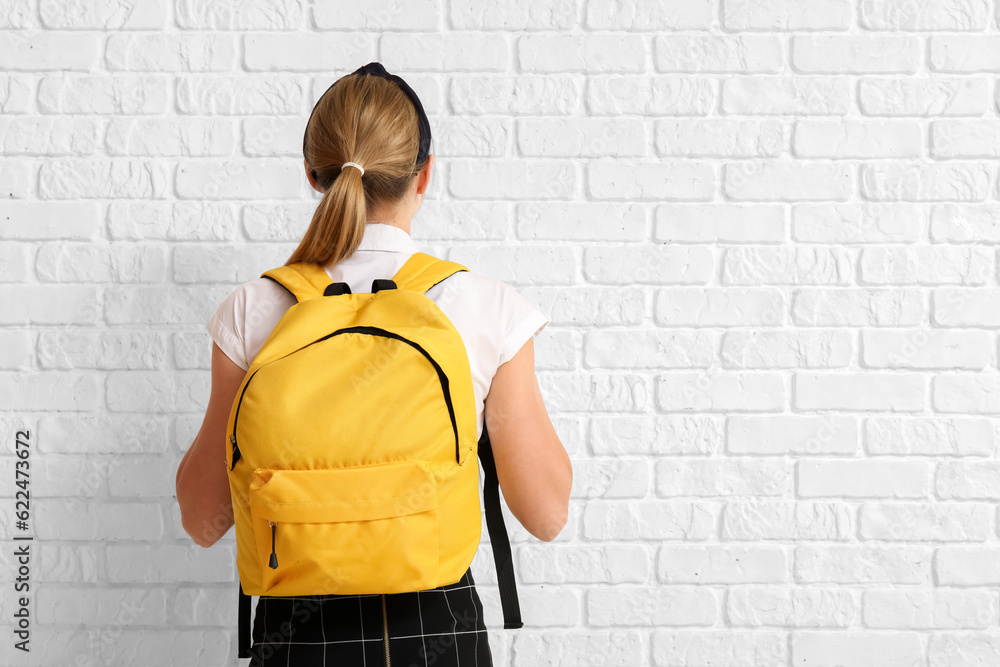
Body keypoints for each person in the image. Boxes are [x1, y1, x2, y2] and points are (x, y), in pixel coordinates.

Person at [174, 62, 573, 666]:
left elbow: (204, 519)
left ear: (313, 174)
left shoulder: (253, 310)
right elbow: (545, 514)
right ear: (425, 174)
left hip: (296, 638)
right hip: (436, 633)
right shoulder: (486, 308)